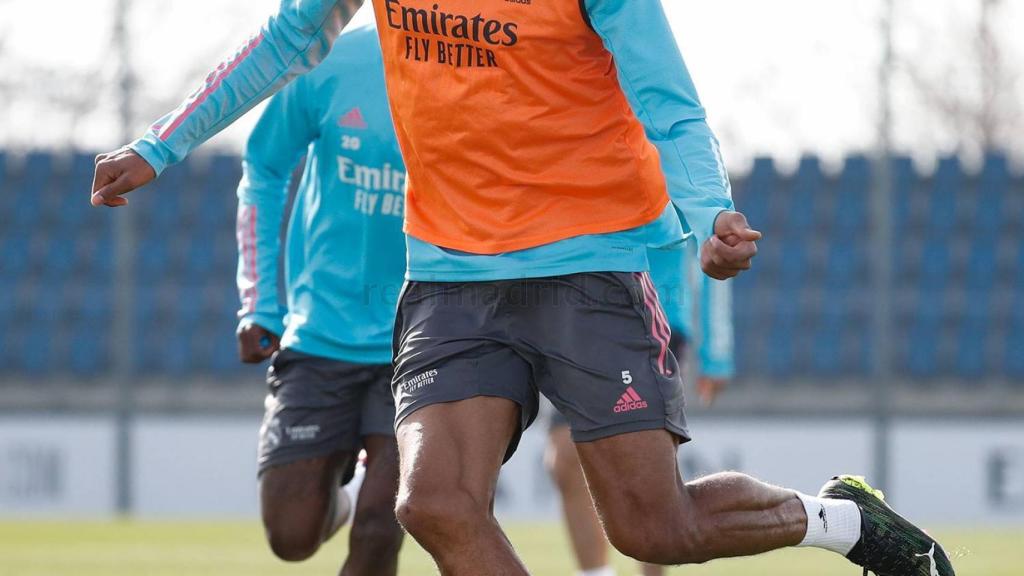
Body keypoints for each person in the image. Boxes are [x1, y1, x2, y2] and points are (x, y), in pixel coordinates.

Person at [89, 1, 955, 575]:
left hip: (588, 268)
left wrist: (712, 217)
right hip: (448, 276)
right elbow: (288, 39)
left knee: (655, 530)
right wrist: (160, 145)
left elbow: (672, 106)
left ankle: (838, 519)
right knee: (432, 501)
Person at [234, 10, 405, 574]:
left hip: (422, 338)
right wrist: (259, 302)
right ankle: (345, 490)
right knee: (290, 537)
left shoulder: (481, 70)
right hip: (321, 333)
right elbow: (263, 165)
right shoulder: (330, 58)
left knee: (383, 526)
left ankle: (373, 494)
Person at [546, 242, 734, 576]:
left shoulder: (681, 186)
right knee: (564, 457)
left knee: (647, 471)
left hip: (656, 315)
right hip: (582, 316)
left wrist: (716, 353)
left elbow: (717, 242)